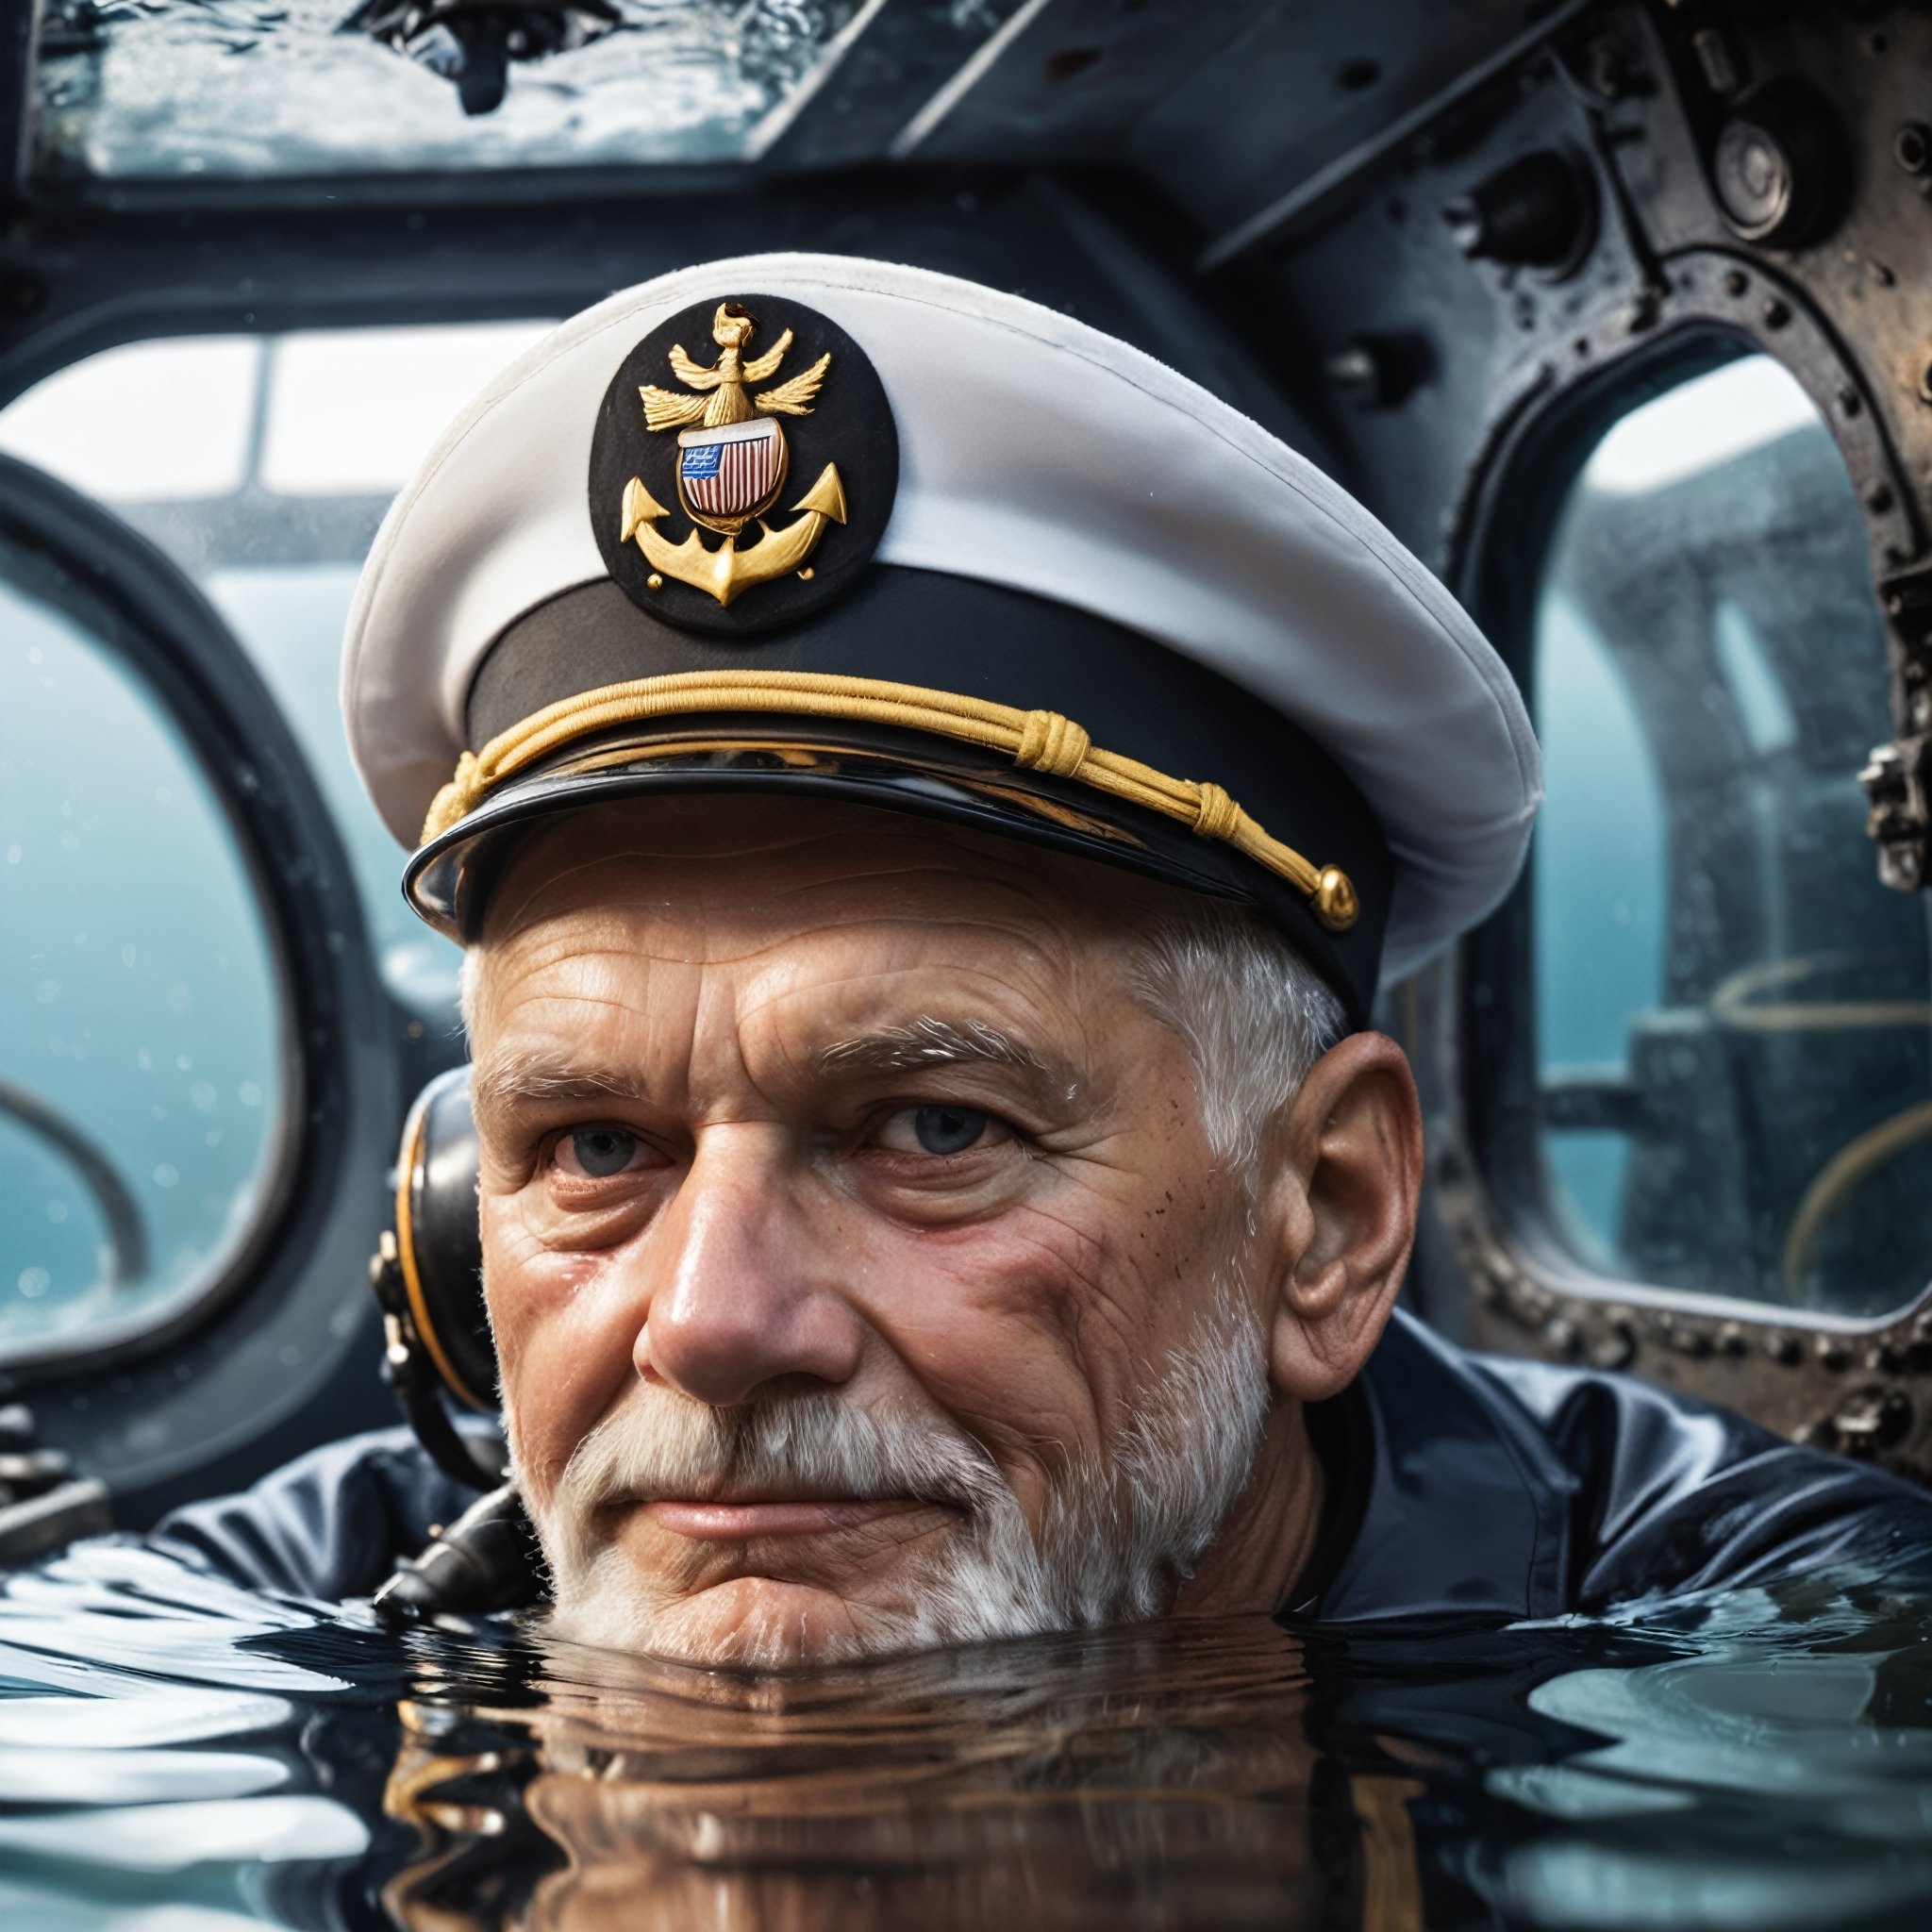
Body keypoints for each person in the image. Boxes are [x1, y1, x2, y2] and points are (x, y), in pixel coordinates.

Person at [150, 256, 1929, 1663]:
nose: (707, 1327)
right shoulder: (265, 1607)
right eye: (597, 1149)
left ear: (1322, 1217)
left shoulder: (1774, 1635)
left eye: (933, 1128)